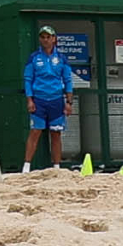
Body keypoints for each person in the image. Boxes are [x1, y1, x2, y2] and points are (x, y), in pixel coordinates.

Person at [21, 26, 75, 173]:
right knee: (35, 132)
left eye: (48, 37)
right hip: (39, 99)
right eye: (43, 37)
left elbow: (68, 80)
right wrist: (29, 100)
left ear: (54, 39)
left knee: (56, 134)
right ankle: (26, 166)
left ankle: (56, 166)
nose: (45, 40)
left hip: (56, 100)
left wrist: (69, 102)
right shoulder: (34, 57)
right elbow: (28, 79)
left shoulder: (61, 58)